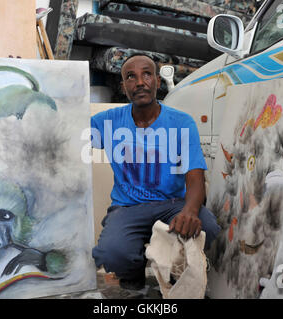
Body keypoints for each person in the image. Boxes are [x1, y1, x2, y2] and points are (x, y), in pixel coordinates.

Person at [91, 54, 221, 290]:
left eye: (147, 74)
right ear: (123, 87)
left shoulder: (182, 122)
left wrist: (190, 211)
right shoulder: (107, 122)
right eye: (131, 76)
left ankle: (173, 274)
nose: (140, 82)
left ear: (157, 82)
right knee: (112, 253)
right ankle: (133, 278)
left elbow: (195, 175)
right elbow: (66, 127)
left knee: (207, 226)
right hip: (128, 207)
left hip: (172, 203)